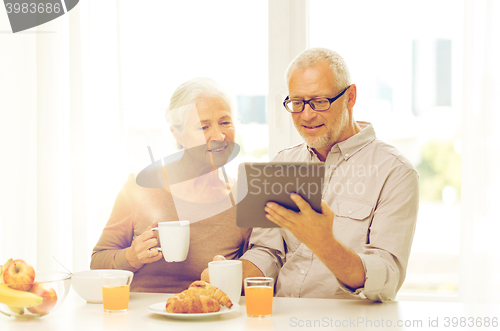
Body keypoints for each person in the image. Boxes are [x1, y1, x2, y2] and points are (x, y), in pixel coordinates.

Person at [202, 47, 419, 302]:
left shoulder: (395, 171)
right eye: (297, 103)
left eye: (319, 102)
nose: (306, 115)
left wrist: (325, 245)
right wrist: (228, 275)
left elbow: (387, 279)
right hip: (280, 318)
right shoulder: (282, 163)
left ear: (350, 97)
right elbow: (267, 253)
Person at [91, 77, 251, 293]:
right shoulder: (140, 187)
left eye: (225, 122)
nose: (220, 136)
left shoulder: (243, 199)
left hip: (209, 318)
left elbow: (256, 277)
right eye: (204, 126)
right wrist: (131, 257)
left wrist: (230, 274)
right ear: (178, 135)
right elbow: (97, 262)